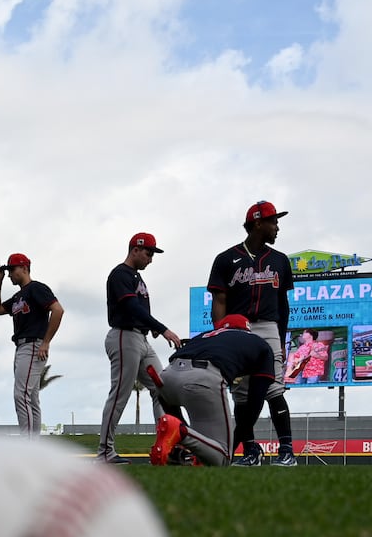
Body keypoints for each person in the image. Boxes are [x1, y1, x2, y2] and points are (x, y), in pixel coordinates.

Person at [208, 200, 297, 466]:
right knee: (242, 393)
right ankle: (250, 451)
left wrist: (280, 337)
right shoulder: (226, 259)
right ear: (258, 223)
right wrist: (220, 336)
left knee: (273, 387)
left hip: (269, 325)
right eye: (273, 221)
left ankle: (287, 451)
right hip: (238, 328)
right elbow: (219, 302)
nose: (277, 227)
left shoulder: (280, 260)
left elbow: (283, 305)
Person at [149, 315, 276, 467]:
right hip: (202, 378)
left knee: (198, 441)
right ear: (247, 329)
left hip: (165, 378)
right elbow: (254, 404)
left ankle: (177, 451)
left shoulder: (204, 336)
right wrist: (231, 447)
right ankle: (181, 433)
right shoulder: (259, 344)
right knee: (222, 459)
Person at [99, 233, 183, 464]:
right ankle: (105, 452)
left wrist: (151, 328)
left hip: (140, 339)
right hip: (123, 336)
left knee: (162, 389)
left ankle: (167, 448)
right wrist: (163, 329)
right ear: (135, 250)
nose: (151, 259)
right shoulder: (120, 274)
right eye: (149, 253)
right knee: (119, 395)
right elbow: (131, 306)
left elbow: (138, 310)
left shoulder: (136, 277)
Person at [0, 253, 64, 437]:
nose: (9, 275)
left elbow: (58, 310)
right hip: (22, 346)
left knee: (21, 395)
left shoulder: (36, 288)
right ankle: (34, 444)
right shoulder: (18, 296)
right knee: (31, 398)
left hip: (33, 344)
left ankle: (28, 444)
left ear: (24, 268)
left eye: (12, 270)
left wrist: (46, 342)